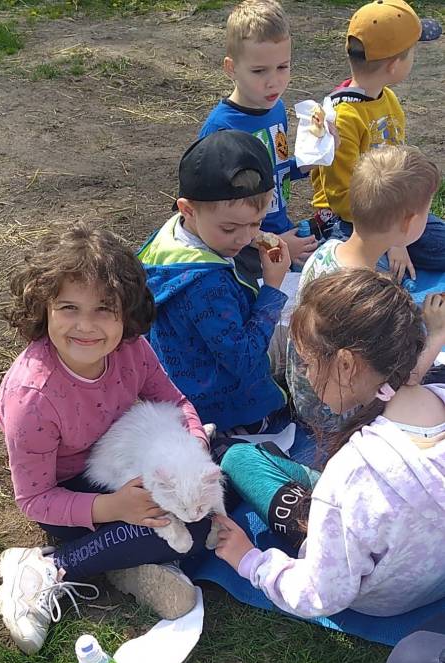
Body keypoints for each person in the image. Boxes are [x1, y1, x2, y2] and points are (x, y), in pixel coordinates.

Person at [0, 222, 214, 655]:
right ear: (42, 308)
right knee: (185, 526)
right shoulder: (33, 398)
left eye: (104, 309)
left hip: (122, 461)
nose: (86, 326)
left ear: (126, 312)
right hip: (71, 490)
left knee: (202, 505)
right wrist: (114, 507)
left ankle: (126, 564)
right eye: (69, 308)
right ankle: (48, 567)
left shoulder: (131, 349)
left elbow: (174, 401)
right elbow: (35, 499)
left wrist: (193, 448)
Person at [212, 268, 445, 619]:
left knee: (238, 457)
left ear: (346, 364)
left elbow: (318, 595)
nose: (305, 375)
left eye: (307, 363)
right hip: (431, 580)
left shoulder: (352, 474)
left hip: (379, 598)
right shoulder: (437, 397)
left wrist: (250, 560)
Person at [139, 129, 291, 433]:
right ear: (188, 210)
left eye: (256, 223)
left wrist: (241, 232)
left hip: (174, 382)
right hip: (221, 408)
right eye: (230, 228)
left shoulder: (169, 237)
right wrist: (273, 289)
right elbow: (244, 358)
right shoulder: (207, 285)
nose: (245, 237)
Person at [285, 144, 443, 430]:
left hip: (306, 394)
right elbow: (407, 378)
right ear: (409, 223)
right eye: (427, 211)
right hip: (337, 415)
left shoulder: (327, 250)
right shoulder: (370, 300)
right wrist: (437, 332)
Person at [311, 0, 445, 278]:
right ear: (394, 65)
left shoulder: (388, 98)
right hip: (352, 222)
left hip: (392, 211)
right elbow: (342, 199)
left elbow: (397, 167)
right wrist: (394, 238)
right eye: (412, 52)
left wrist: (399, 231)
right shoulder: (342, 117)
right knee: (376, 282)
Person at [198, 0, 319, 267]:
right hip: (241, 250)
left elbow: (276, 171)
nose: (273, 81)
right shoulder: (222, 130)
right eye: (259, 71)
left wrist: (313, 160)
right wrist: (272, 242)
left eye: (282, 67)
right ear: (231, 68)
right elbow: (213, 211)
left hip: (280, 230)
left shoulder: (277, 109)